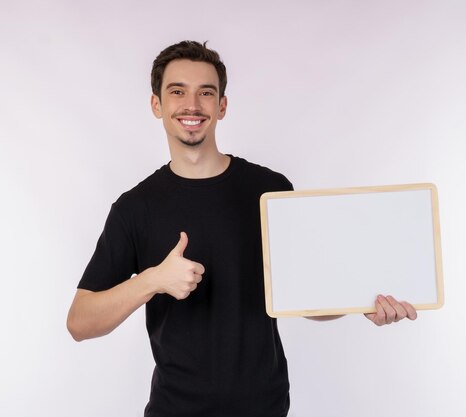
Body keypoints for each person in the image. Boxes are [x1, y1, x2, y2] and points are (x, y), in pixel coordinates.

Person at [66, 40, 417, 417]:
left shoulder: (270, 190)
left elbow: (306, 301)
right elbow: (80, 322)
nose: (192, 105)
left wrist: (360, 301)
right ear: (157, 105)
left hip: (264, 408)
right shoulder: (135, 208)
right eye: (177, 91)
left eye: (206, 92)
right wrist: (152, 280)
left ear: (222, 106)